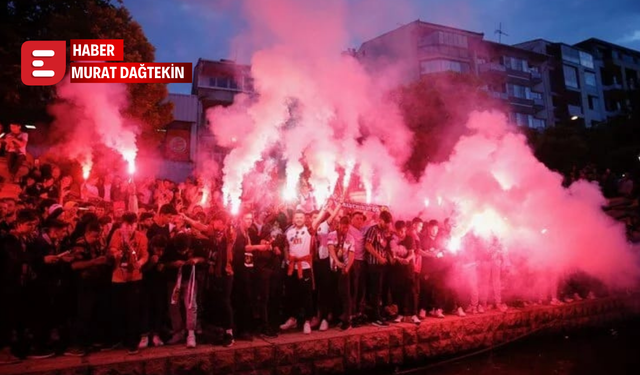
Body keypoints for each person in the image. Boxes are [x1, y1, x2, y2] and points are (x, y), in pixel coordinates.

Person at [108, 213, 148, 354]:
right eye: (126, 225)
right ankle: (119, 338)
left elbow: (145, 254)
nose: (128, 228)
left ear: (136, 225)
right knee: (118, 309)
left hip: (135, 277)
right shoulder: (117, 234)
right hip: (118, 277)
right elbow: (111, 249)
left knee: (133, 310)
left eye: (132, 225)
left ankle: (132, 341)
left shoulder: (141, 236)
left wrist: (140, 262)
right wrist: (116, 253)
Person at [280, 211, 315, 334]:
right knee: (291, 295)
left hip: (304, 267)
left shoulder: (309, 230)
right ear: (293, 219)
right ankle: (292, 319)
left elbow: (319, 218)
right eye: (297, 217)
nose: (299, 219)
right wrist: (286, 258)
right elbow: (285, 247)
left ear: (305, 219)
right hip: (292, 268)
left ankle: (307, 321)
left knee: (306, 295)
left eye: (301, 217)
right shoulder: (289, 232)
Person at [364, 210, 393, 327]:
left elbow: (384, 247)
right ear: (380, 220)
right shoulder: (373, 230)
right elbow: (367, 245)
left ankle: (378, 314)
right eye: (385, 223)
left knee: (380, 291)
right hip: (374, 265)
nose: (387, 225)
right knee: (375, 292)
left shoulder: (383, 232)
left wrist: (389, 256)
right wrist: (379, 257)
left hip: (382, 265)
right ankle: (374, 317)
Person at [327, 216, 356, 330]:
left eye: (347, 227)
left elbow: (352, 254)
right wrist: (337, 261)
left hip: (344, 269)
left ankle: (347, 321)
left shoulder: (351, 238)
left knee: (345, 295)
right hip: (333, 268)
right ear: (339, 224)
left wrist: (347, 267)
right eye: (344, 226)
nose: (345, 229)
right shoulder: (332, 235)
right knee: (335, 294)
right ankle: (337, 318)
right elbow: (330, 249)